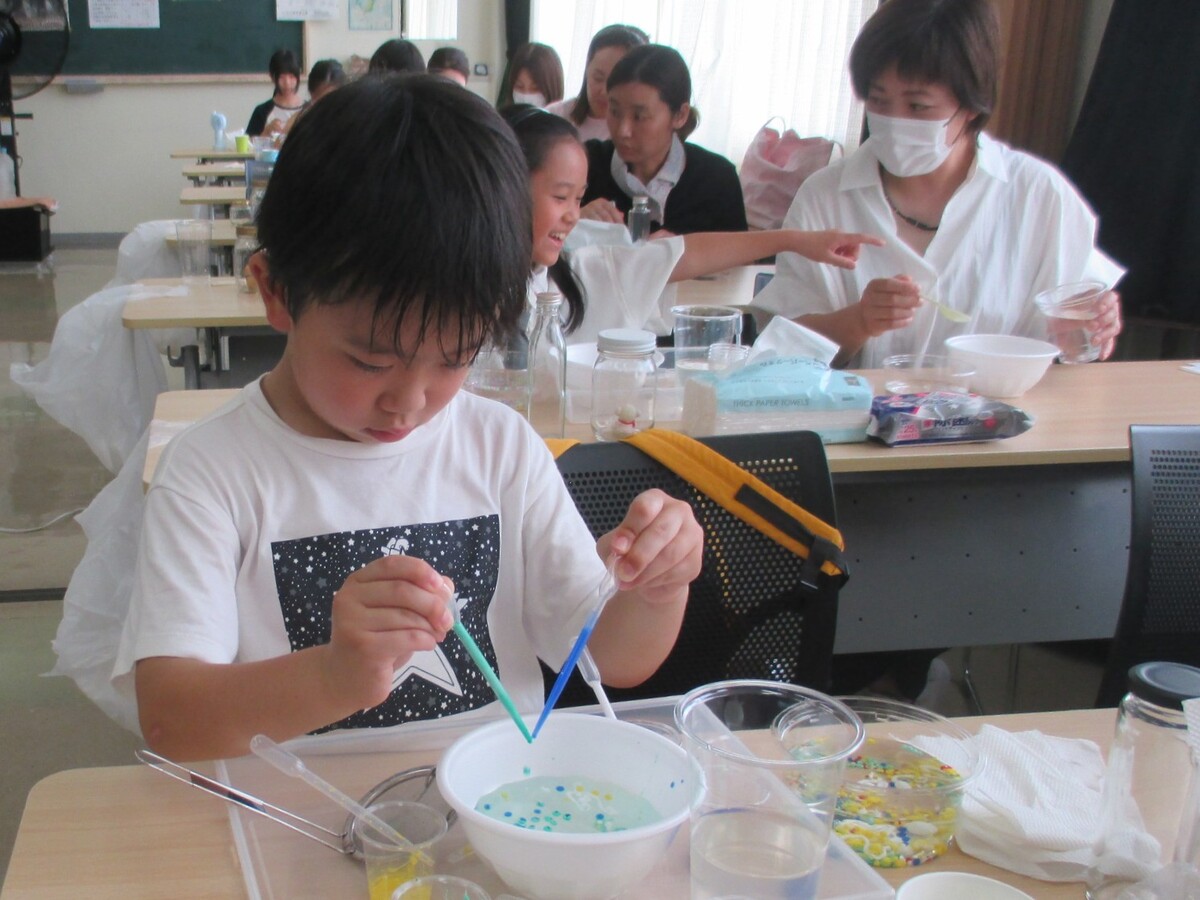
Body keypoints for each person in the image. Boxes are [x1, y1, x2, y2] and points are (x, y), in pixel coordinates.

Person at [114, 77, 702, 762]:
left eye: (455, 358)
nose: (410, 402)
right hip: (298, 815)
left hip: (492, 807)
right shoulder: (213, 473)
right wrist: (335, 676)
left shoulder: (500, 447)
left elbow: (613, 659)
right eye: (369, 362)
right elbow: (173, 720)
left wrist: (659, 587)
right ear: (275, 293)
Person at [753, 0, 1124, 369]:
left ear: (972, 105)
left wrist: (1093, 327)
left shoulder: (1039, 196)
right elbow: (781, 353)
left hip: (1003, 406)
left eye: (918, 106)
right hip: (862, 407)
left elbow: (1075, 333)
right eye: (879, 101)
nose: (895, 121)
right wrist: (859, 321)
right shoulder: (824, 197)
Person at [504, 106, 882, 344]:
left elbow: (685, 254)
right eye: (560, 196)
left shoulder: (583, 276)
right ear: (505, 189)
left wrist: (793, 240)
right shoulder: (472, 293)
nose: (574, 215)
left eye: (578, 198)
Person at [581, 44, 747, 236]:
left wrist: (686, 248)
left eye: (639, 117)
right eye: (615, 112)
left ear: (680, 115)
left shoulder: (716, 179)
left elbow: (741, 253)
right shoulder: (586, 163)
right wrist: (574, 220)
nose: (623, 130)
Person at [547, 24, 648, 142]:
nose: (604, 91)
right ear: (587, 71)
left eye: (615, 82)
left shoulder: (638, 132)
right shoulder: (556, 116)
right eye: (598, 78)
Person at [246, 49, 304, 138]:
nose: (287, 83)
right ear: (272, 77)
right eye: (281, 77)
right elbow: (248, 144)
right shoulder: (262, 111)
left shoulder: (310, 109)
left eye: (291, 77)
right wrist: (266, 131)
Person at [280, 59, 347, 138]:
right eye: (321, 102)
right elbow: (281, 142)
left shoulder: (352, 119)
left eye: (333, 99)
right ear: (312, 94)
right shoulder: (299, 119)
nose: (328, 107)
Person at [496, 42, 564, 109]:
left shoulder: (564, 114)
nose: (525, 96)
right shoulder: (503, 114)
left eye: (536, 89)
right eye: (519, 87)